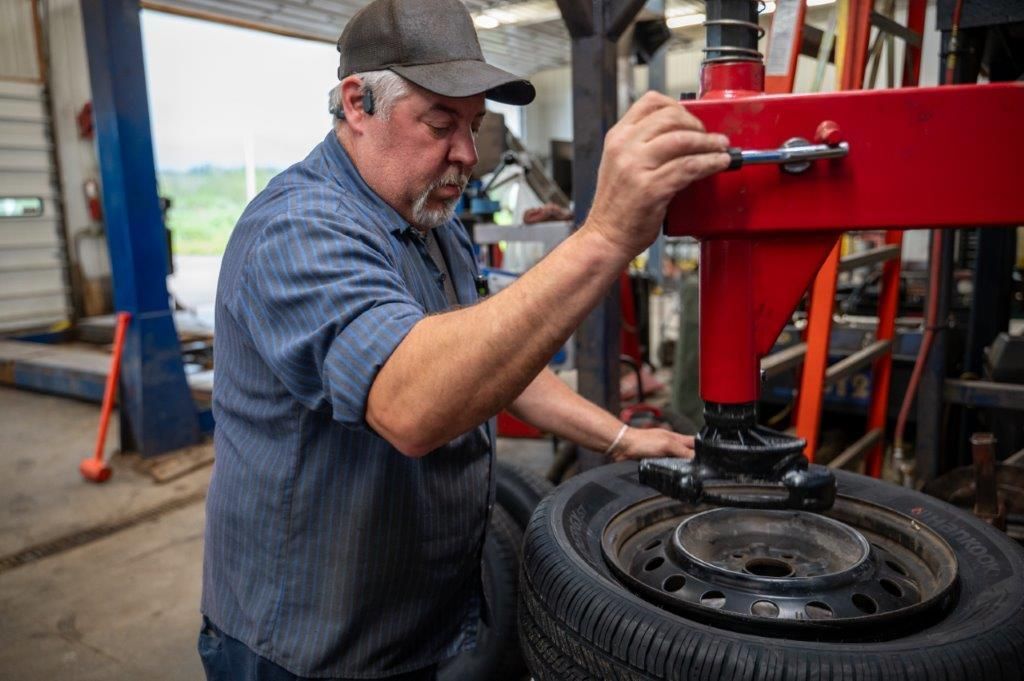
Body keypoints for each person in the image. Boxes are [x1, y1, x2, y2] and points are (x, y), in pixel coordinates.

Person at [199, 0, 731, 679]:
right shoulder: (297, 230)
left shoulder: (432, 221)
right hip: (305, 647)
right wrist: (602, 238)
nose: (467, 154)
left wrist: (622, 438)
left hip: (414, 625)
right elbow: (413, 403)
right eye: (441, 123)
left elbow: (493, 361)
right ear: (358, 105)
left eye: (474, 125)